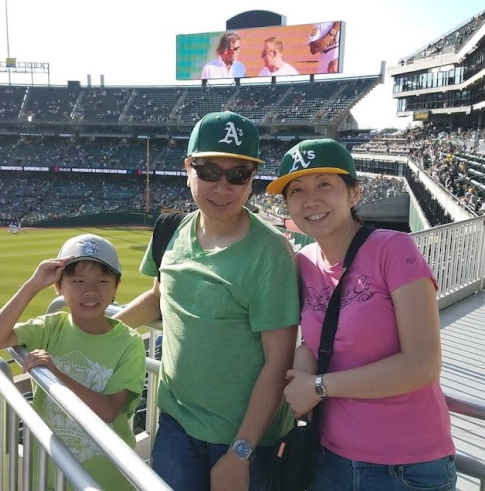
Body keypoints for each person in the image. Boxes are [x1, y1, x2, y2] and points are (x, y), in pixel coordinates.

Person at [114, 111, 300, 491]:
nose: (222, 187)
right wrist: (98, 331)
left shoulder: (270, 252)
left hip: (242, 439)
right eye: (210, 171)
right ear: (188, 168)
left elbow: (279, 360)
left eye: (238, 175)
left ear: (251, 181)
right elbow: (158, 299)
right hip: (176, 425)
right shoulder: (171, 229)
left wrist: (241, 452)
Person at [266, 138, 456, 490]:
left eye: (325, 184)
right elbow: (322, 335)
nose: (311, 199)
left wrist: (319, 387)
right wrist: (305, 359)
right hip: (329, 458)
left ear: (354, 193)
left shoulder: (392, 248)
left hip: (407, 468)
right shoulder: (304, 263)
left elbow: (423, 364)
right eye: (297, 190)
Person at [0, 233, 146, 491]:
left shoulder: (129, 343)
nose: (90, 291)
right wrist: (33, 284)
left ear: (116, 287)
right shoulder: (51, 327)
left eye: (102, 281)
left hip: (105, 478)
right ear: (58, 286)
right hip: (51, 469)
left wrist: (56, 374)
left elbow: (108, 410)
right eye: (77, 281)